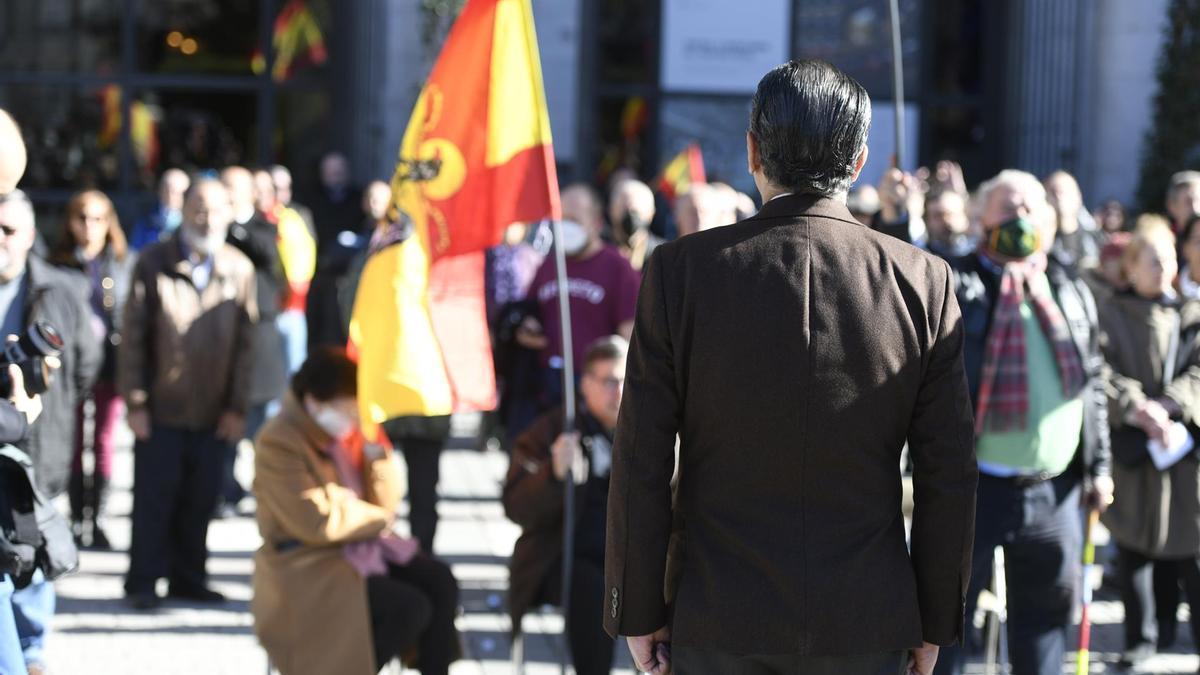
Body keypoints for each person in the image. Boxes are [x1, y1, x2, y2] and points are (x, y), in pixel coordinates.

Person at [605, 60, 977, 675]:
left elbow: (641, 455)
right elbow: (949, 474)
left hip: (719, 615)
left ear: (752, 151)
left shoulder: (681, 272)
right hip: (865, 620)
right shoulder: (922, 281)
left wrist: (637, 608)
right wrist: (934, 621)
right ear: (859, 161)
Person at [934, 169, 1112, 675]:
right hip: (972, 490)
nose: (1021, 219)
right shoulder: (955, 281)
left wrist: (1099, 467)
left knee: (1044, 628)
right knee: (950, 625)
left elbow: (1093, 380)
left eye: (1032, 209)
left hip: (1053, 494)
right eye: (1009, 208)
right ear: (980, 218)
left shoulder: (1070, 285)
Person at [252, 347, 460, 675]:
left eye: (354, 409)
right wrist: (375, 520)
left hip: (358, 549)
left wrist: (377, 453)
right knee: (408, 608)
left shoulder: (347, 434)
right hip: (306, 562)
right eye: (345, 409)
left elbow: (386, 504)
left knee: (439, 581)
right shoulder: (278, 440)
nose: (351, 417)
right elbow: (315, 521)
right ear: (314, 402)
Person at [119, 178, 257, 610]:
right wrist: (136, 402)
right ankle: (143, 580)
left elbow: (248, 347)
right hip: (161, 409)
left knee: (200, 500)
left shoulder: (239, 268)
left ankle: (188, 577)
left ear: (229, 214)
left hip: (213, 410)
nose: (207, 217)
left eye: (216, 209)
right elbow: (133, 339)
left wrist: (237, 408)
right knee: (154, 500)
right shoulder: (153, 262)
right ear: (183, 208)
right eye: (199, 207)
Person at [0, 188, 101, 675]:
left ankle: (33, 651)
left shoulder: (60, 289)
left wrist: (46, 402)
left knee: (34, 540)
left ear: (30, 236)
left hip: (38, 440)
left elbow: (85, 366)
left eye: (8, 231)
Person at [1097, 219, 1200, 670]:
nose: (1164, 269)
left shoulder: (1191, 315)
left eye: (1170, 260)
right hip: (1135, 451)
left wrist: (1171, 404)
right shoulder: (1110, 313)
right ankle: (1141, 639)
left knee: (1191, 551)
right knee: (1135, 548)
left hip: (1183, 453)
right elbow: (1099, 369)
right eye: (1153, 260)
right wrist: (1136, 406)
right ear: (1132, 267)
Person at [504, 336, 627, 675]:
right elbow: (516, 506)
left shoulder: (643, 433)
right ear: (586, 384)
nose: (619, 391)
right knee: (594, 590)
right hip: (560, 557)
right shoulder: (553, 430)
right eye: (610, 381)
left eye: (626, 381)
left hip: (630, 558)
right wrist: (554, 475)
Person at [48, 189, 136, 550]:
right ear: (70, 222)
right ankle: (73, 515)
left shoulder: (121, 262)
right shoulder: (58, 263)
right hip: (69, 366)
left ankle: (96, 519)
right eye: (82, 218)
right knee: (70, 439)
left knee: (102, 440)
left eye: (98, 219)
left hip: (109, 364)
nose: (90, 227)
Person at [516, 184, 639, 431]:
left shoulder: (618, 268)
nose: (565, 227)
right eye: (561, 218)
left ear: (596, 222)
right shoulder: (549, 265)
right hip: (547, 390)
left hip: (593, 392)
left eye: (574, 219)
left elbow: (631, 336)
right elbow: (528, 312)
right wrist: (526, 326)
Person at [219, 166, 287, 515]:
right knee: (225, 416)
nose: (227, 194)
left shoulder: (261, 226)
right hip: (222, 334)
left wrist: (235, 227)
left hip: (258, 334)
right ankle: (226, 490)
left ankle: (264, 488)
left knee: (259, 422)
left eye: (233, 188)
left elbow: (268, 257)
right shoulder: (211, 228)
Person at [1045, 170, 1102, 271]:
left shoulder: (1096, 240)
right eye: (1053, 192)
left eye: (1064, 191)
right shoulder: (1038, 240)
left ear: (1078, 198)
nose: (1059, 198)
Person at [607, 179, 663, 272]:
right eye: (623, 207)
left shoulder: (664, 256)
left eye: (636, 211)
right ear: (611, 210)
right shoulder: (597, 254)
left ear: (651, 214)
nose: (630, 215)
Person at [129, 168, 190, 250]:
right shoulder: (145, 220)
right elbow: (135, 251)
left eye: (177, 192)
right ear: (160, 190)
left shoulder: (193, 222)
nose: (171, 196)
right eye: (167, 190)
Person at [923, 189, 975, 260]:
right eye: (938, 216)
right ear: (927, 221)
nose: (946, 221)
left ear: (965, 216)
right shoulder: (923, 258)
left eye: (951, 214)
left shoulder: (981, 256)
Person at [1167, 171, 1200, 236]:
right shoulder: (1163, 241)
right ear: (1172, 206)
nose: (1195, 208)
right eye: (1188, 202)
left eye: (1199, 201)